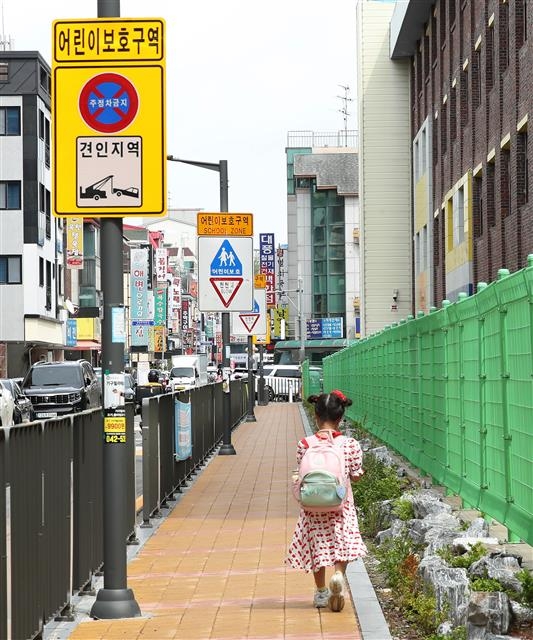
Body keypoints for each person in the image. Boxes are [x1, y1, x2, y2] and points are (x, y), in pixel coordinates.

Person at [286, 390, 367, 611]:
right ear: (340, 417)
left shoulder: (305, 443)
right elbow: (356, 475)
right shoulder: (349, 445)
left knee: (317, 545)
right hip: (341, 505)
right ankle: (339, 575)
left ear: (316, 416)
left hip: (312, 506)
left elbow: (301, 471)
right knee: (343, 542)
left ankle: (321, 592)